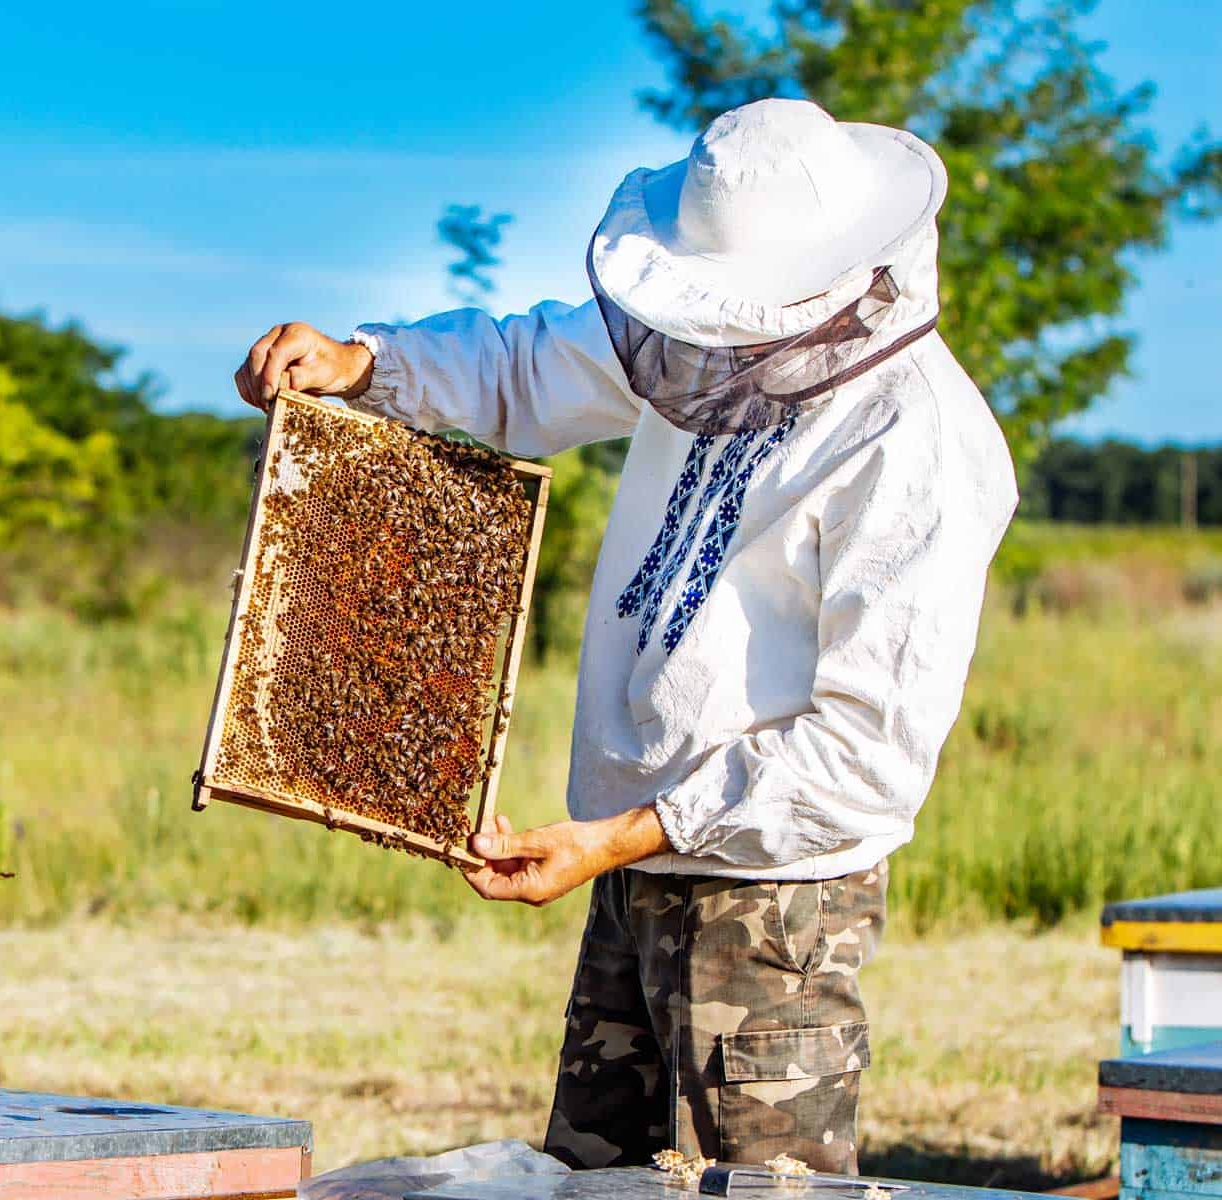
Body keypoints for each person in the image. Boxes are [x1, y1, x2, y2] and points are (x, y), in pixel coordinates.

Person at [233, 98, 1018, 1173]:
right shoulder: (709, 346)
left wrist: (615, 835)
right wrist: (364, 364)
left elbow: (860, 758)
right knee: (597, 1191)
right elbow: (525, 368)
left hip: (773, 906)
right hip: (638, 862)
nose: (700, 348)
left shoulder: (916, 450)